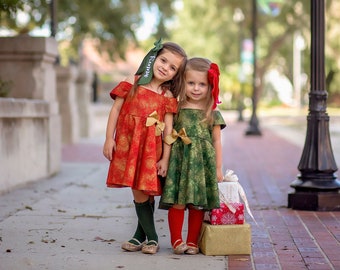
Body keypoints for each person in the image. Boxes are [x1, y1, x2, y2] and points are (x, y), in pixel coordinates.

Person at [103, 39, 187, 255]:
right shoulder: (133, 83)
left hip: (151, 151)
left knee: (143, 190)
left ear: (176, 75)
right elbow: (115, 111)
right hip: (128, 146)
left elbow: (168, 130)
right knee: (138, 189)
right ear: (153, 57)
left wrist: (165, 158)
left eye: (172, 68)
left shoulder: (167, 96)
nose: (165, 68)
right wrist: (108, 139)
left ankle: (149, 237)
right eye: (163, 60)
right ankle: (147, 236)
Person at [159, 57, 226, 255]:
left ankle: (192, 241)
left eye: (202, 84)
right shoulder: (176, 108)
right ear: (183, 82)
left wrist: (218, 168)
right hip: (180, 161)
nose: (196, 88)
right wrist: (164, 159)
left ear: (210, 86)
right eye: (191, 83)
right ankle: (177, 240)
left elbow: (216, 142)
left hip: (201, 165)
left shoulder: (211, 113)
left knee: (197, 203)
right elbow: (169, 135)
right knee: (178, 201)